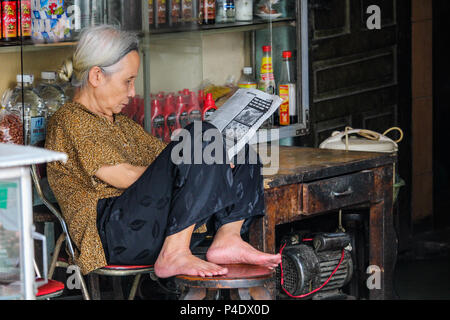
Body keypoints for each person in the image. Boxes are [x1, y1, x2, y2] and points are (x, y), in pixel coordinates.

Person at [45, 25, 281, 278]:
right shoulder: (69, 120)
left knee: (238, 150)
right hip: (113, 234)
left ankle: (228, 237)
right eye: (128, 81)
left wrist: (214, 161)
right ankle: (174, 253)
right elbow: (122, 175)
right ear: (96, 76)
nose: (133, 92)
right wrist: (197, 163)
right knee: (200, 136)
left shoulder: (121, 123)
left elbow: (166, 158)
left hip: (155, 225)